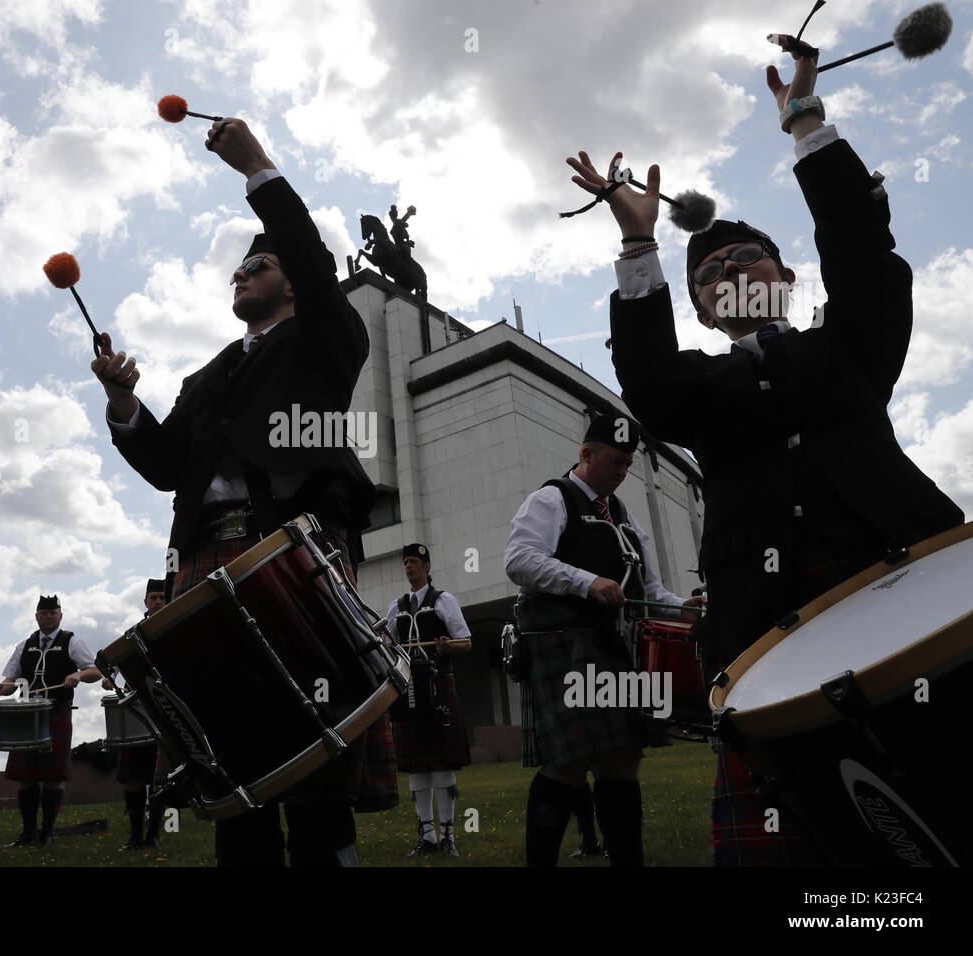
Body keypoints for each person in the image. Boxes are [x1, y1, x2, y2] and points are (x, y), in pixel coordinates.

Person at [569, 51, 963, 864]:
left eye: (744, 255)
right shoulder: (701, 390)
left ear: (784, 276)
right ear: (707, 314)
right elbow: (647, 377)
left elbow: (863, 254)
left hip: (917, 595)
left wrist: (806, 122)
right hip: (765, 644)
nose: (726, 270)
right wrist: (639, 240)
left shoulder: (849, 347)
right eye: (707, 274)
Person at [93, 116, 393, 867]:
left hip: (294, 547)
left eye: (255, 268)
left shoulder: (326, 336)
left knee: (316, 768)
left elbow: (310, 261)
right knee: (237, 763)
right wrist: (125, 405)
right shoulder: (209, 375)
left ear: (290, 277)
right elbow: (166, 466)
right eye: (237, 272)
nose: (240, 276)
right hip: (205, 556)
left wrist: (256, 166)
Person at [505, 415, 703, 866]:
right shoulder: (553, 498)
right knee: (571, 763)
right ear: (586, 454)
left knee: (624, 758)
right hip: (567, 647)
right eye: (615, 461)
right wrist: (585, 581)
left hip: (617, 649)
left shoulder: (625, 517)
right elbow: (519, 560)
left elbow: (649, 592)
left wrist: (685, 607)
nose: (621, 471)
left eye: (628, 464)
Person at [0, 595, 101, 848]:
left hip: (56, 711)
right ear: (36, 616)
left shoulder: (71, 641)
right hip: (27, 715)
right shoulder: (25, 645)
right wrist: (0, 689)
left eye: (53, 613)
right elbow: (11, 681)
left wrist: (78, 674)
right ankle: (28, 833)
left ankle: (47, 833)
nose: (48, 616)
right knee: (26, 776)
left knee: (53, 776)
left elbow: (95, 671)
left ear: (60, 615)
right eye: (44, 613)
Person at [386, 543, 472, 856]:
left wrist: (450, 646)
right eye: (406, 562)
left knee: (440, 761)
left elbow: (466, 642)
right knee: (416, 765)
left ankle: (448, 836)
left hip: (438, 687)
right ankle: (428, 837)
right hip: (409, 690)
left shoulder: (443, 600)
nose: (408, 567)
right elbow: (388, 648)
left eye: (414, 562)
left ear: (427, 566)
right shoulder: (396, 607)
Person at [115, 578, 167, 850]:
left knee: (160, 779)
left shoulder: (175, 627)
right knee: (133, 777)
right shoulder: (132, 633)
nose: (157, 602)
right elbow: (113, 666)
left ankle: (153, 836)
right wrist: (108, 678)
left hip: (166, 712)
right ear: (145, 602)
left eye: (161, 597)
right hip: (136, 712)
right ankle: (135, 836)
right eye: (153, 598)